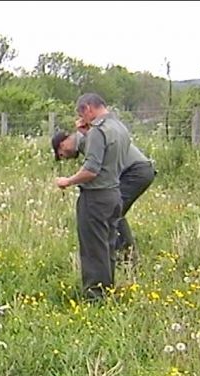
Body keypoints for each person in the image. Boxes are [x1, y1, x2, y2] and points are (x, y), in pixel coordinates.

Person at [55, 93, 131, 302]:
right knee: (107, 247)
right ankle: (108, 290)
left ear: (88, 108)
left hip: (95, 197)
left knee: (92, 249)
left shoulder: (99, 131)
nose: (82, 119)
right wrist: (86, 133)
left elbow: (91, 169)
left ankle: (95, 296)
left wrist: (68, 181)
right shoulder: (120, 128)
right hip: (114, 194)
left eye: (82, 113)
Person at [52, 121, 156, 259]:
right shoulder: (87, 137)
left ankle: (127, 257)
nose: (66, 158)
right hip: (139, 169)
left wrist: (69, 181)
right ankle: (123, 255)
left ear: (63, 144)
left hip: (135, 171)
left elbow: (92, 171)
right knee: (115, 211)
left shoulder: (85, 140)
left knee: (113, 211)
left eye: (61, 155)